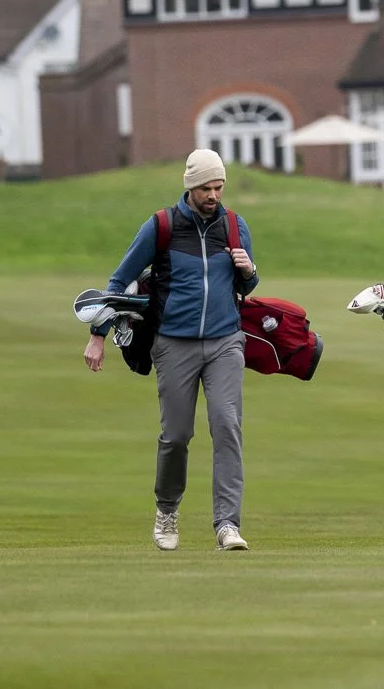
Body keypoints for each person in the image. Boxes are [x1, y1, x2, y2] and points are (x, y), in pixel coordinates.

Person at [82, 149, 257, 552]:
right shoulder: (161, 225)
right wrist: (98, 334)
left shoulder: (234, 225)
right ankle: (167, 511)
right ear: (191, 187)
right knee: (176, 435)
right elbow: (119, 281)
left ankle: (227, 524)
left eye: (219, 187)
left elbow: (246, 286)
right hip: (174, 343)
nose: (213, 195)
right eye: (206, 188)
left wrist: (249, 271)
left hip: (225, 341)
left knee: (227, 426)